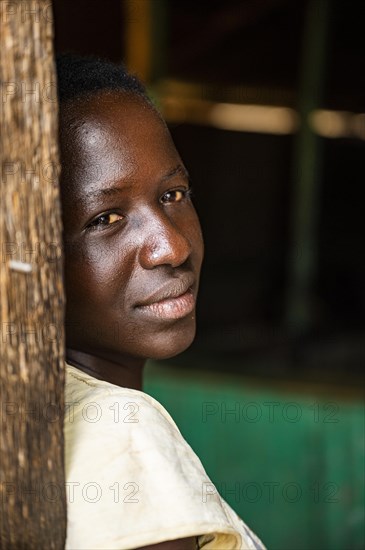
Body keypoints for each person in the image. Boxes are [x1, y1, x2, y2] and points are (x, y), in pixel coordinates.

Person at [57, 54, 265, 550]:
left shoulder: (43, 409)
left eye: (173, 194)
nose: (173, 246)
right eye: (105, 219)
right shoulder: (121, 438)